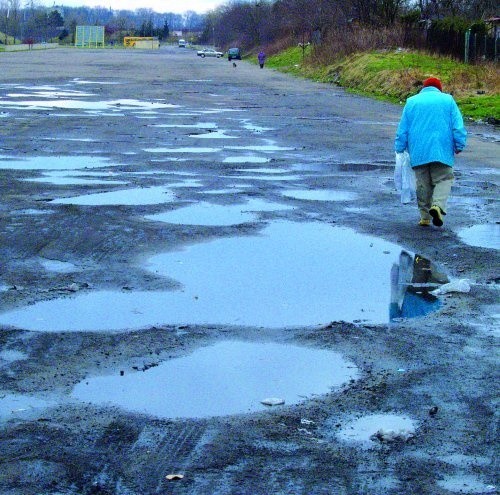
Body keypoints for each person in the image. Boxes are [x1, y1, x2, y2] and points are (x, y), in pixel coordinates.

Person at [395, 77, 467, 227]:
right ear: (439, 89)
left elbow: (403, 129)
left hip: (418, 151)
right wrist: (459, 144)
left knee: (422, 184)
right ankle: (438, 205)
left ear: (423, 88)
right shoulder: (448, 100)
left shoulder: (411, 102)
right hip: (441, 150)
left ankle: (425, 217)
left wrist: (400, 148)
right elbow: (457, 126)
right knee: (444, 179)